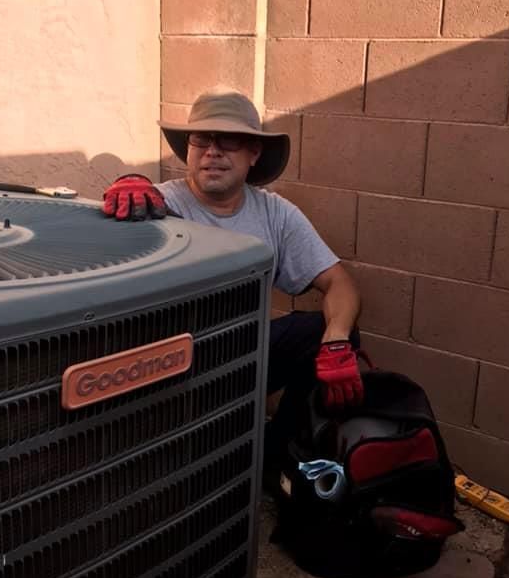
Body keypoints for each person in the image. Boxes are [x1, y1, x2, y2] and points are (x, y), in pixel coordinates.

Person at [102, 87, 363, 474]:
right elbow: (101, 274)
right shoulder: (155, 205)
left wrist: (336, 337)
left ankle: (278, 452)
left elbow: (340, 283)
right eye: (201, 140)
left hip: (246, 354)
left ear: (253, 154)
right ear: (188, 150)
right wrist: (123, 194)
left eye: (229, 141)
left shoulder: (275, 214)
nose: (213, 151)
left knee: (328, 334)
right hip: (171, 366)